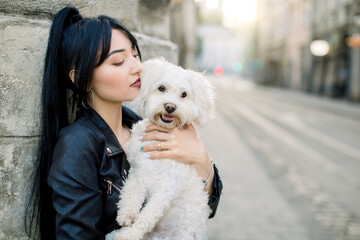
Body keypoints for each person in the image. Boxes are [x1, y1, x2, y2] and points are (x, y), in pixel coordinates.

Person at [25, 6, 222, 240]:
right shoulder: (77, 145)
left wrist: (201, 159)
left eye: (135, 56)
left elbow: (206, 207)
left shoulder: (146, 126)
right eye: (118, 61)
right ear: (81, 78)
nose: (138, 67)